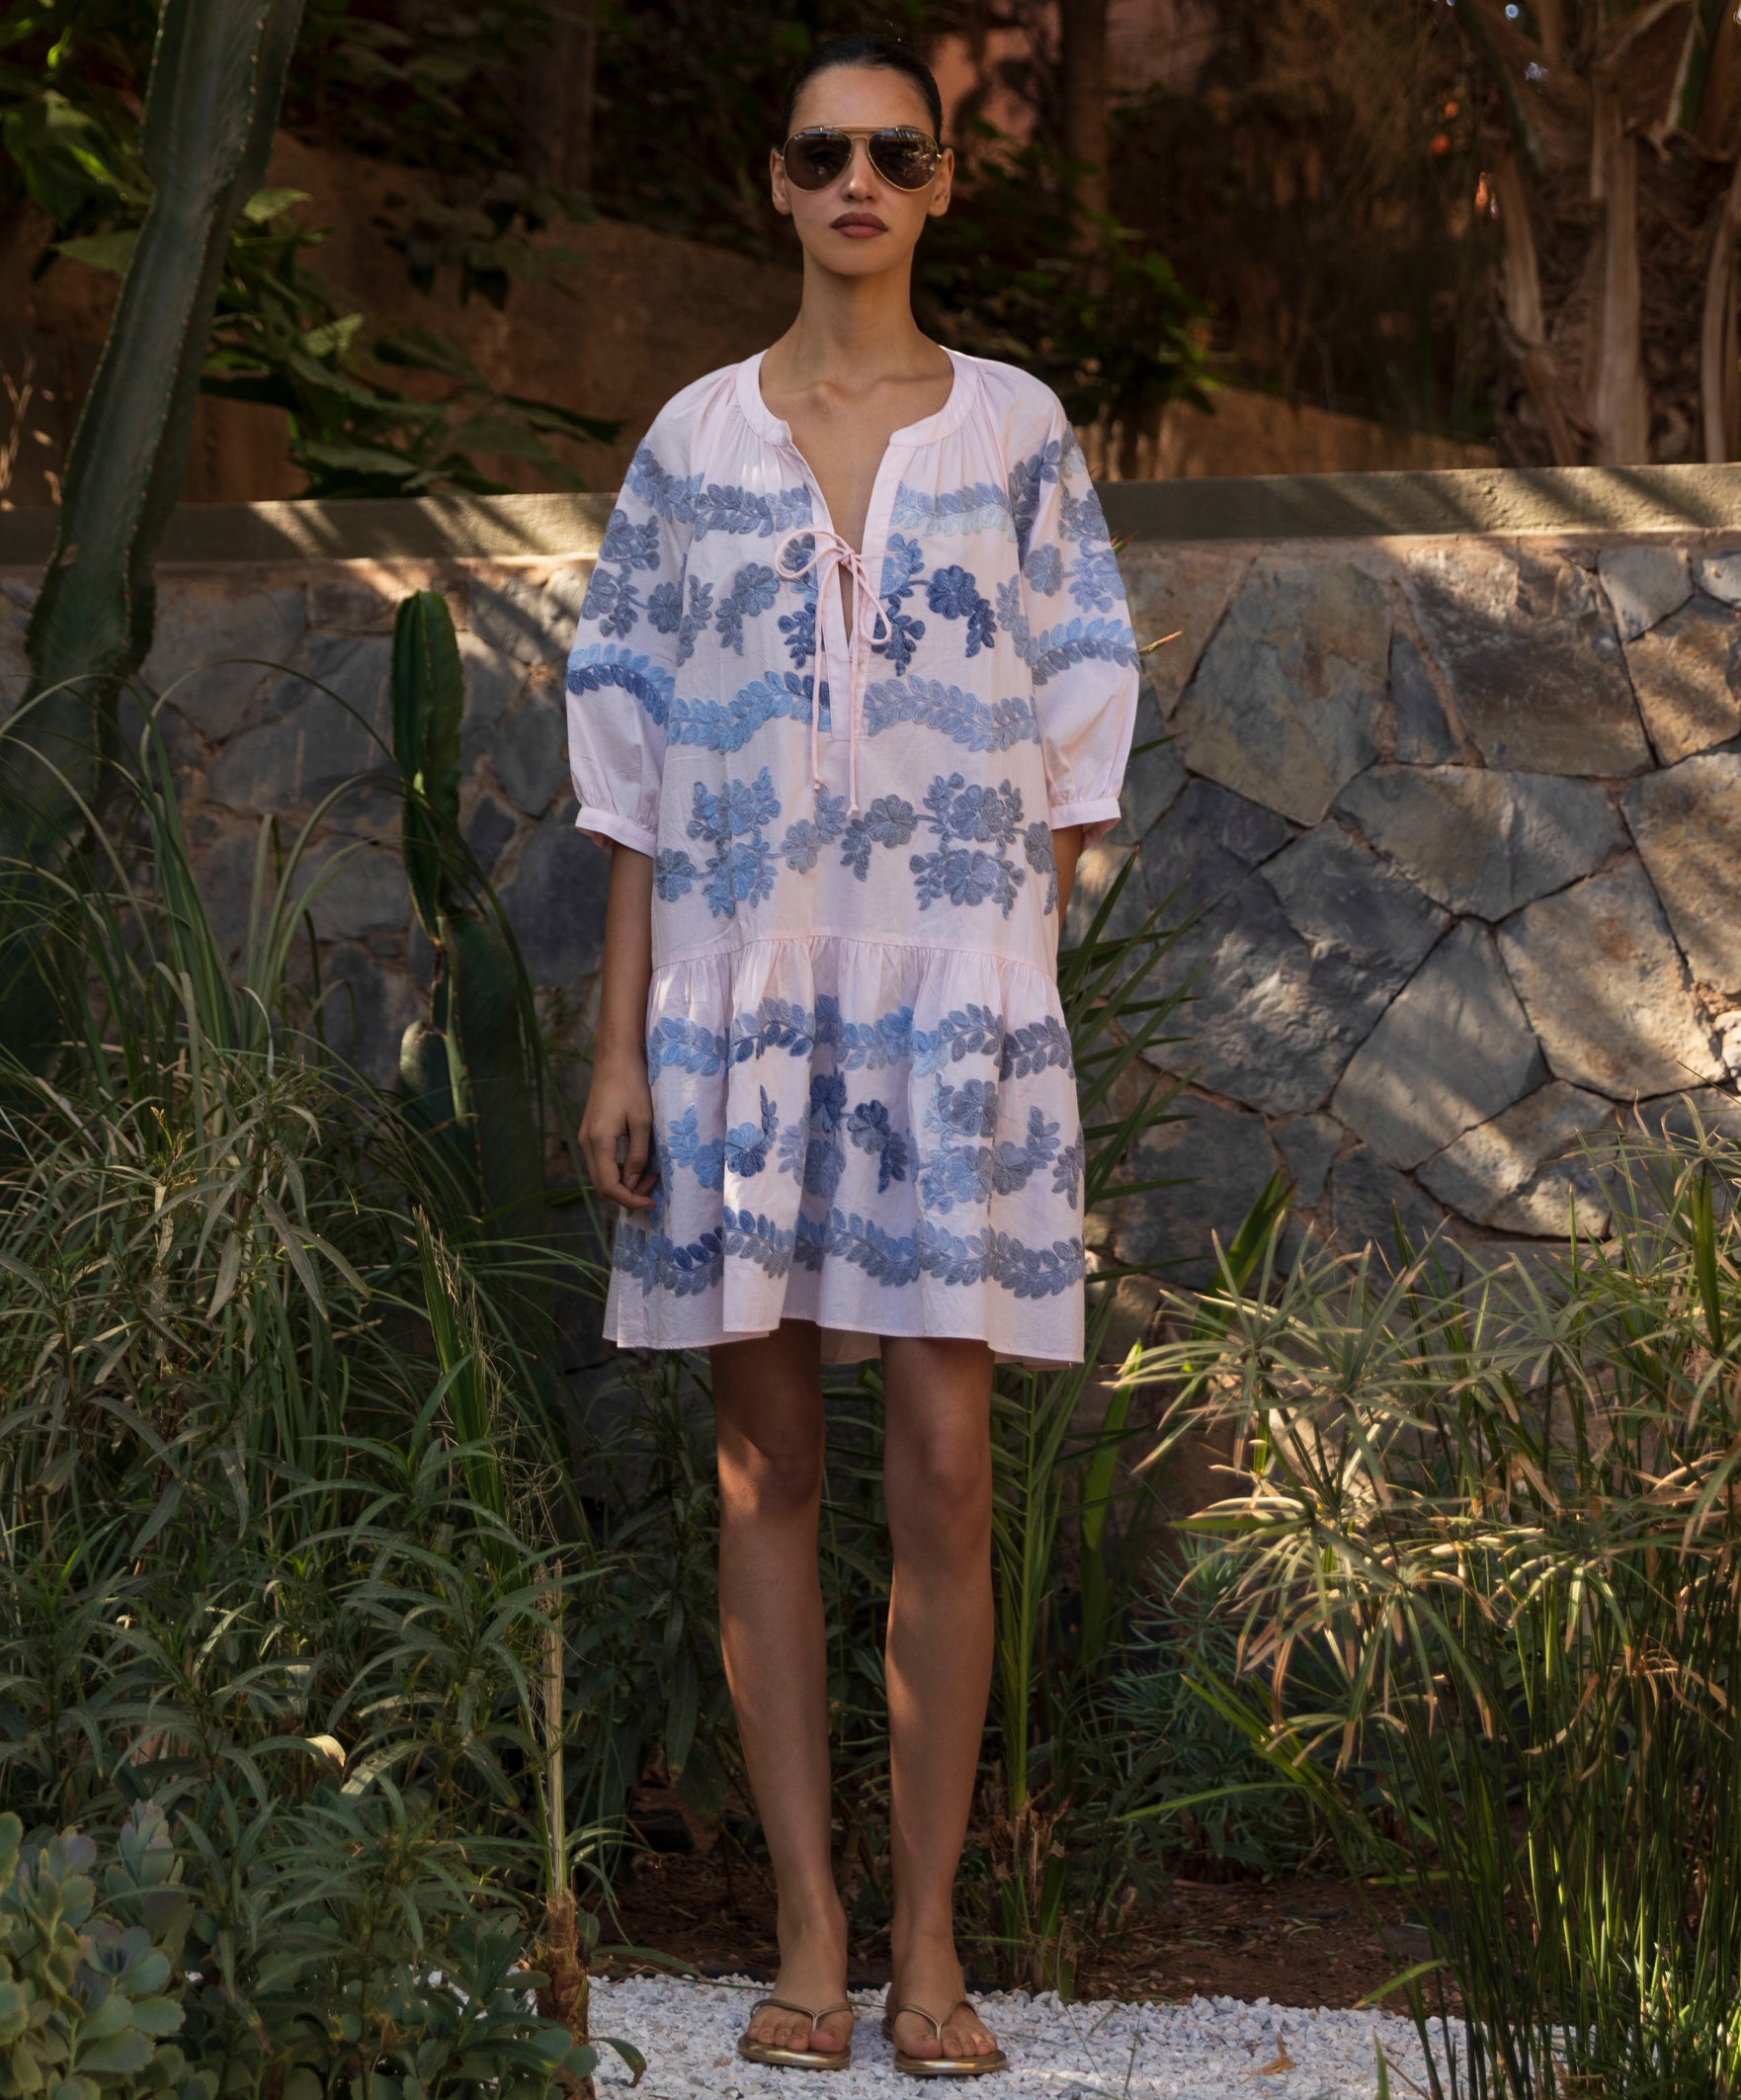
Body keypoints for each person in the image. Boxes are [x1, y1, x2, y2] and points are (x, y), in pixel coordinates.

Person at [568, 29, 1137, 2080]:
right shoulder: (690, 442)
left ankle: (927, 1937)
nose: (859, 184)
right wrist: (619, 1047)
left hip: (945, 1010)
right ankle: (809, 1927)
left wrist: (1010, 979)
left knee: (947, 1466)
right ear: (776, 182)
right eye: (824, 154)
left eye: (897, 151)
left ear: (940, 181)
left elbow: (1077, 721)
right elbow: (630, 771)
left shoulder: (1015, 430)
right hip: (732, 1002)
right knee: (767, 1463)